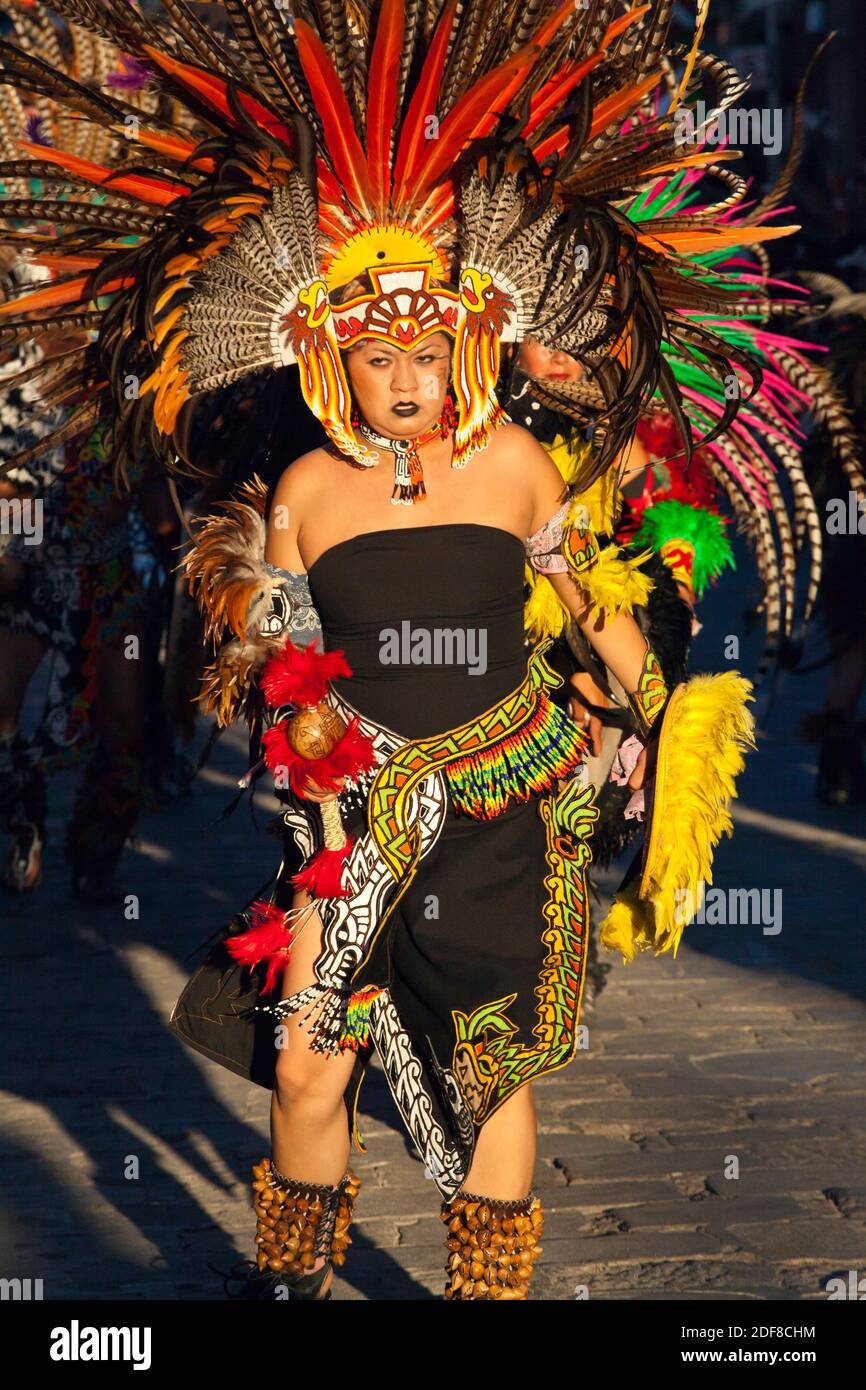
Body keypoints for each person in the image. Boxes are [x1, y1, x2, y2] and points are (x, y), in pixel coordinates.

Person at [0, 0, 788, 1301]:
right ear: (327, 361)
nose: (406, 377)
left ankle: (483, 1290)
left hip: (500, 813)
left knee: (493, 1075)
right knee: (311, 1054)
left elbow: (589, 606)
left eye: (428, 349)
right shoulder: (304, 491)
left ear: (468, 344)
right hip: (350, 821)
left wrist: (662, 727)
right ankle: (291, 1276)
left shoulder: (518, 465)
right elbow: (275, 651)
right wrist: (295, 733)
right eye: (377, 358)